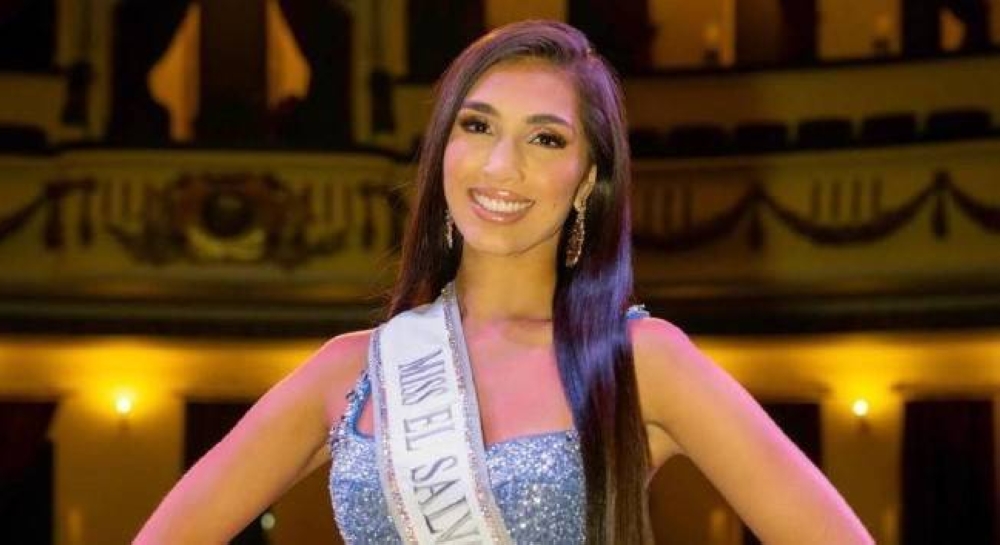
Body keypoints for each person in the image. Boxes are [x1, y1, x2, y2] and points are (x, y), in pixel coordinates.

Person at [135, 20, 873, 544]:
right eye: (477, 126)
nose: (499, 167)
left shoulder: (642, 360)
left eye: (544, 138)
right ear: (442, 149)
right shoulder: (354, 369)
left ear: (588, 178)